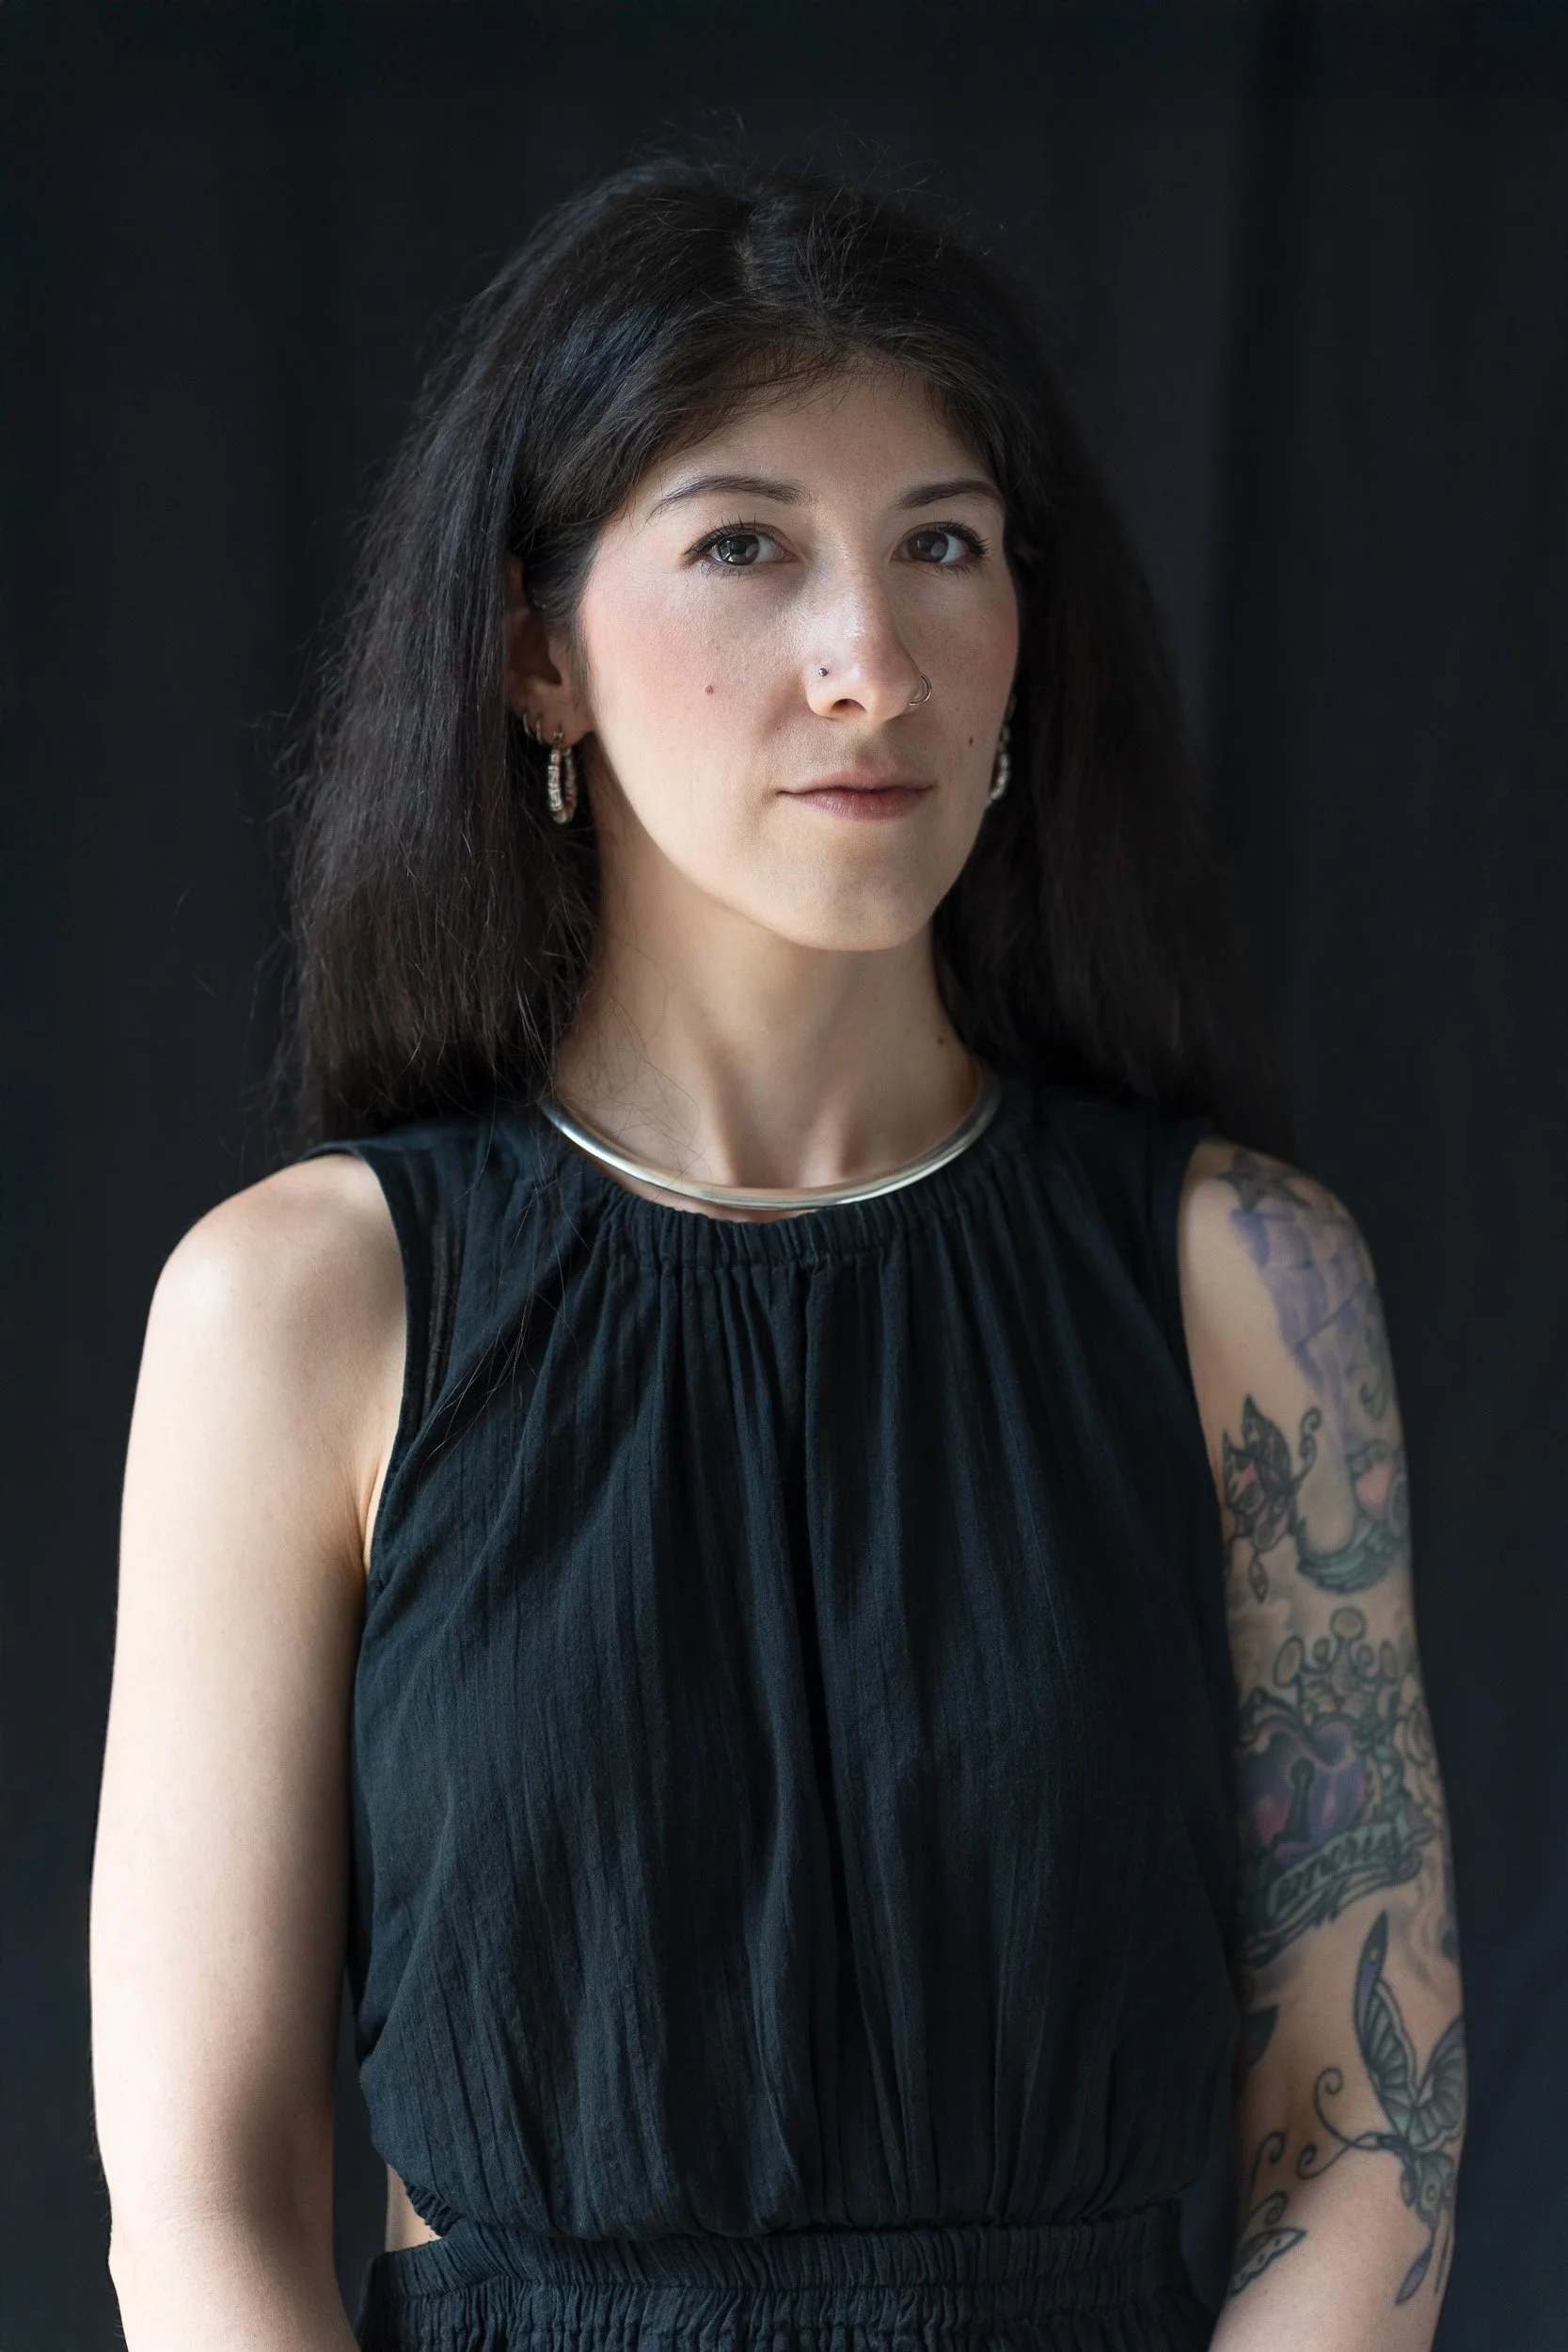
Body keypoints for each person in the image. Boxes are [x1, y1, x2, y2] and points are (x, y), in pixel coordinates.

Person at [89, 159, 1464, 2352]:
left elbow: (1361, 2140)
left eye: (942, 544)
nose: (870, 662)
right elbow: (201, 2212)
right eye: (746, 545)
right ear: (536, 656)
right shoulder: (301, 1306)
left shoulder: (1244, 1286)